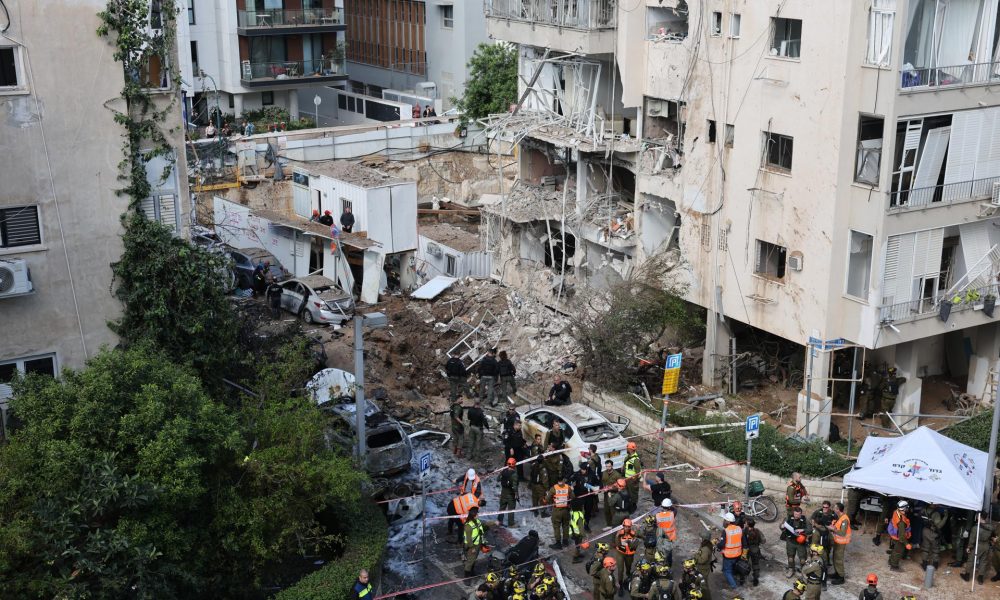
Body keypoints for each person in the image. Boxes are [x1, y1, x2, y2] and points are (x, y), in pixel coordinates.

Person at [960, 519, 998, 584]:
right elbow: (993, 536)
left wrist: (969, 547)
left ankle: (967, 575)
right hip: (986, 545)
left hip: (978, 545)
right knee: (983, 561)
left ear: (979, 517)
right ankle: (980, 578)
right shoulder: (991, 527)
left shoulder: (976, 528)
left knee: (971, 560)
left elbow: (972, 539)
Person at [544, 474, 573, 549]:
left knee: (556, 526)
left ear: (557, 481)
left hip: (557, 511)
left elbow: (547, 499)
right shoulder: (568, 487)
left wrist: (545, 498)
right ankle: (565, 541)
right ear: (563, 480)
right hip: (566, 510)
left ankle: (558, 543)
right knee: (566, 525)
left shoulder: (553, 488)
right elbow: (573, 497)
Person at [570, 460, 599, 533]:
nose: (581, 470)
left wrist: (596, 489)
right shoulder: (577, 474)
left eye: (583, 469)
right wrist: (571, 485)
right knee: (579, 512)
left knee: (588, 511)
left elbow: (598, 483)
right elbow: (570, 480)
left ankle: (586, 525)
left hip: (589, 497)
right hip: (579, 497)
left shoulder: (592, 475)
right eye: (581, 469)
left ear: (586, 469)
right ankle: (578, 525)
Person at [782, 506, 811, 577]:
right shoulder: (788, 518)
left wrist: (803, 530)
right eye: (795, 514)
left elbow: (810, 529)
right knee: (790, 557)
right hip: (790, 541)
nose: (797, 516)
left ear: (801, 514)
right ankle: (791, 569)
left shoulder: (805, 520)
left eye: (798, 514)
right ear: (793, 513)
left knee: (802, 559)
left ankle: (803, 570)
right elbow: (781, 525)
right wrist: (781, 526)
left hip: (800, 542)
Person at [718, 512, 743, 590]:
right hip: (738, 553)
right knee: (733, 568)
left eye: (725, 520)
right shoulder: (739, 529)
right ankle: (735, 579)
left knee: (727, 571)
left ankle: (734, 586)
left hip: (729, 555)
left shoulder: (726, 531)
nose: (724, 521)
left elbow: (722, 544)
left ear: (728, 521)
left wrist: (717, 545)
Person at [615, 518, 639, 596]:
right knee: (620, 569)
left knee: (628, 567)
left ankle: (628, 574)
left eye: (629, 527)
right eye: (625, 526)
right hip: (621, 553)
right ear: (623, 526)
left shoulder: (633, 534)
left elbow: (635, 545)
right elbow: (617, 544)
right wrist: (617, 537)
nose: (627, 528)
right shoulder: (619, 533)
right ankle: (621, 585)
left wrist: (630, 542)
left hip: (630, 554)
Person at [886, 500, 911, 572]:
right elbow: (902, 536)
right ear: (904, 509)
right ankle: (894, 566)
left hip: (894, 536)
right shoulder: (901, 522)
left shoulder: (896, 511)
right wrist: (907, 544)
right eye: (907, 508)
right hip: (899, 538)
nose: (908, 509)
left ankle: (890, 561)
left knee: (895, 550)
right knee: (898, 552)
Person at [830, 501, 851, 585]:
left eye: (835, 508)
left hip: (841, 543)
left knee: (838, 559)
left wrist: (832, 529)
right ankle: (837, 573)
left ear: (838, 510)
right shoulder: (839, 517)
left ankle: (841, 577)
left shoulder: (844, 519)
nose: (833, 509)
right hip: (837, 541)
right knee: (835, 557)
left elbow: (842, 533)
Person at [463, 506, 487, 576]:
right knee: (470, 561)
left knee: (473, 559)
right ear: (474, 516)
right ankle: (467, 576)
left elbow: (482, 528)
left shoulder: (477, 521)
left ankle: (471, 572)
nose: (478, 515)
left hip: (477, 544)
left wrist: (492, 523)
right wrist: (472, 548)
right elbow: (468, 539)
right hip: (471, 546)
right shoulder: (468, 526)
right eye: (477, 514)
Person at [810, 500, 834, 567]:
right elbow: (812, 519)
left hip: (828, 531)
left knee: (828, 547)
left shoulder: (832, 513)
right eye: (824, 507)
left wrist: (832, 528)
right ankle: (816, 561)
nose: (825, 508)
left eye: (826, 507)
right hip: (818, 531)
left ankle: (827, 561)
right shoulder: (818, 512)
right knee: (818, 547)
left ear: (829, 507)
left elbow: (836, 521)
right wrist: (814, 526)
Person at [743, 517, 765, 587]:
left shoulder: (744, 531)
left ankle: (743, 577)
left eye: (745, 523)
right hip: (755, 549)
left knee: (745, 563)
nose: (744, 523)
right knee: (755, 564)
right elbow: (763, 541)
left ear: (748, 524)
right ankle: (756, 578)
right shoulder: (757, 531)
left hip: (746, 550)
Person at [655, 498, 678, 565]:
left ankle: (660, 564)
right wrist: (672, 506)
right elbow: (675, 509)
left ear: (662, 506)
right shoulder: (672, 514)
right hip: (669, 536)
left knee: (659, 551)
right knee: (668, 551)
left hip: (660, 536)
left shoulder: (658, 515)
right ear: (669, 506)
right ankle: (668, 565)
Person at [693, 531, 716, 600]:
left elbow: (702, 560)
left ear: (704, 538)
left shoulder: (706, 549)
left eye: (701, 537)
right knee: (700, 583)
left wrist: (696, 554)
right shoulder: (706, 545)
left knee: (704, 585)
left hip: (703, 569)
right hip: (703, 568)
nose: (700, 538)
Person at [529, 446, 550, 517]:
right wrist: (547, 488)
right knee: (542, 499)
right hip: (540, 486)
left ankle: (535, 510)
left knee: (534, 497)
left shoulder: (534, 465)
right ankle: (543, 512)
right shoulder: (543, 469)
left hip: (533, 484)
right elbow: (545, 480)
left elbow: (531, 474)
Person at [499, 457, 519, 527]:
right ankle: (511, 524)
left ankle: (499, 521)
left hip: (503, 492)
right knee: (511, 509)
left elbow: (498, 479)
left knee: (502, 507)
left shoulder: (503, 471)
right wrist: (516, 494)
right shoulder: (514, 474)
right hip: (510, 494)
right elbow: (514, 486)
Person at [602, 460, 623, 526]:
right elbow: (603, 482)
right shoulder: (604, 473)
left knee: (613, 512)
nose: (608, 468)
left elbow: (621, 486)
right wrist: (603, 488)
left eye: (609, 466)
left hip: (614, 495)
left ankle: (615, 525)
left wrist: (612, 488)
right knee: (606, 511)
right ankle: (609, 524)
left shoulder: (617, 475)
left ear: (612, 466)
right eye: (606, 466)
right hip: (606, 495)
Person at [624, 442, 642, 512]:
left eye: (628, 448)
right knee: (628, 493)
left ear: (631, 449)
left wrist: (635, 481)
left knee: (633, 494)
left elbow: (638, 472)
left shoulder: (635, 460)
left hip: (632, 480)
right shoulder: (628, 456)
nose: (627, 449)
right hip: (627, 479)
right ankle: (629, 505)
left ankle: (633, 506)